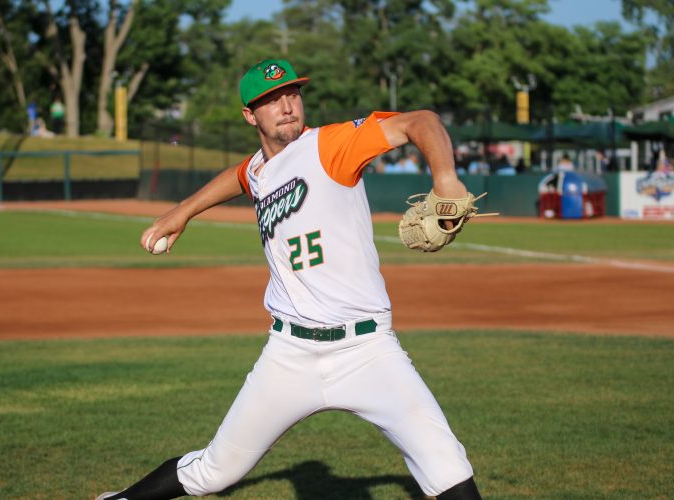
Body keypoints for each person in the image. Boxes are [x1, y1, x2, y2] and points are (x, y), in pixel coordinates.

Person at [97, 58, 481, 500]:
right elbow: (240, 176)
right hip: (289, 354)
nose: (286, 106)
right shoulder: (259, 170)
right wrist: (183, 211)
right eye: (271, 100)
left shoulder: (331, 145)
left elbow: (421, 121)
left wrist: (445, 178)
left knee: (449, 469)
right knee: (213, 473)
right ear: (250, 115)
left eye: (292, 94)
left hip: (367, 350)